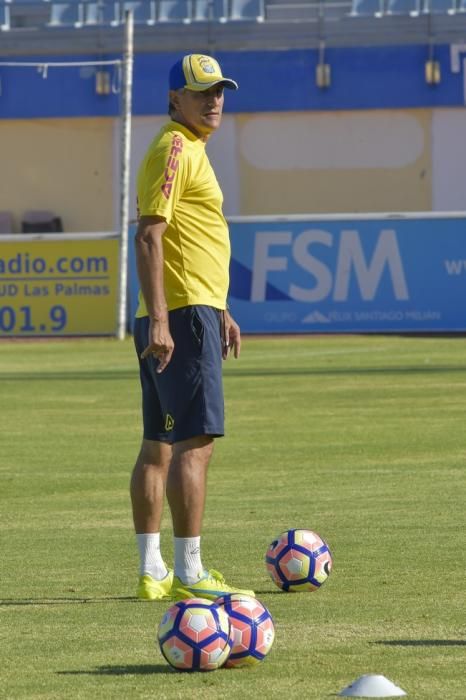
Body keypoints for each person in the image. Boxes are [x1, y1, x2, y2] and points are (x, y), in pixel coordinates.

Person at [130, 53, 255, 602]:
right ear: (175, 98)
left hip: (186, 310)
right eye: (201, 91)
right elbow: (150, 234)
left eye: (219, 90)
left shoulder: (189, 148)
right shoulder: (176, 146)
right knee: (194, 445)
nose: (214, 99)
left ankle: (152, 571)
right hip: (180, 318)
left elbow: (186, 238)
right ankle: (189, 570)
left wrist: (220, 305)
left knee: (158, 445)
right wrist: (165, 319)